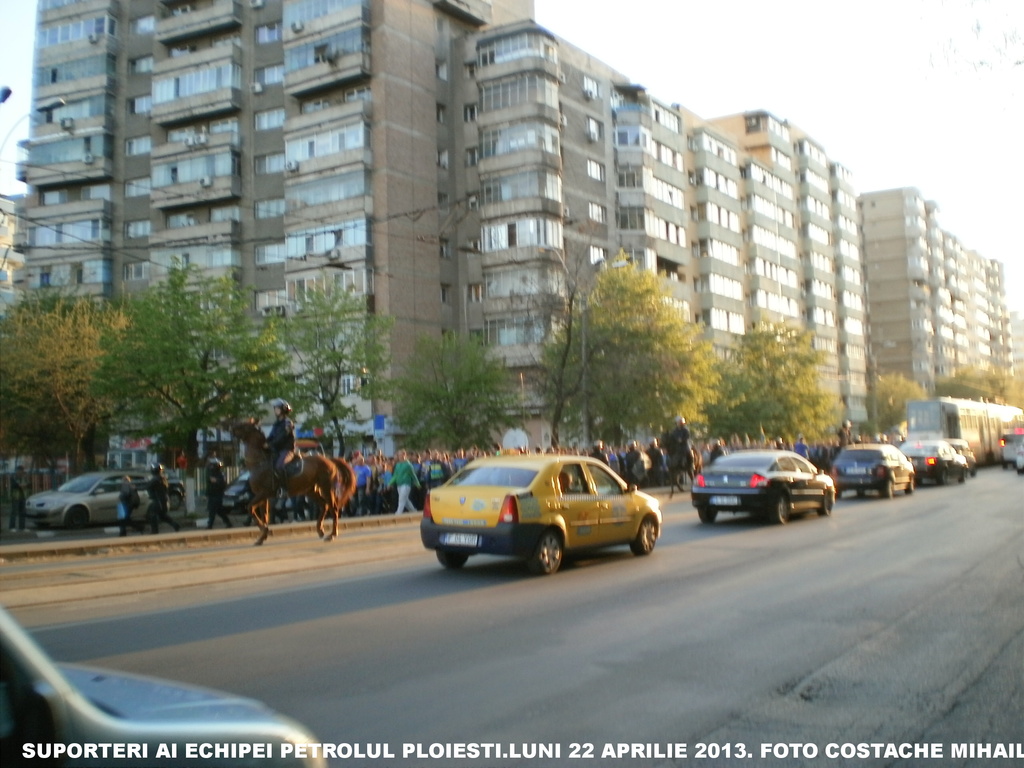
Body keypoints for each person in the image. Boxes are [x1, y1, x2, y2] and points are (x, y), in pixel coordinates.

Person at [267, 398, 297, 488]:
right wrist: (264, 442)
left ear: (283, 410)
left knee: (279, 467)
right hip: (276, 450)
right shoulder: (276, 424)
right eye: (275, 408)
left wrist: (270, 444)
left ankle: (284, 488)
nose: (275, 410)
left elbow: (282, 437)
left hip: (286, 450)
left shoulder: (288, 423)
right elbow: (271, 436)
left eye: (277, 408)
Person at [147, 463, 180, 533]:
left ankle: (154, 531)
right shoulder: (162, 478)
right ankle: (175, 525)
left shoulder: (156, 479)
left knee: (153, 514)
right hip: (163, 499)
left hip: (158, 500)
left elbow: (148, 486)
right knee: (162, 516)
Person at [388, 449, 421, 514]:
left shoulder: (408, 465)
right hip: (399, 484)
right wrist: (390, 483)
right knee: (405, 501)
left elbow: (413, 475)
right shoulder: (397, 465)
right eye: (398, 455)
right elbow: (395, 476)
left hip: (406, 484)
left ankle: (398, 513)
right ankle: (414, 511)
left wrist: (417, 484)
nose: (399, 456)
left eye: (400, 455)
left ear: (404, 455)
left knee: (401, 499)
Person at [205, 458, 231, 529]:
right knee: (219, 511)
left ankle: (210, 525)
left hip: (217, 495)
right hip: (212, 494)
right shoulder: (210, 473)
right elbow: (209, 484)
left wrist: (216, 481)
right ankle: (228, 522)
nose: (211, 467)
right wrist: (207, 494)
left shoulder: (220, 474)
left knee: (212, 510)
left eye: (212, 465)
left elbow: (223, 484)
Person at [9, 466, 27, 532]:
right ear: (17, 471)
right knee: (14, 512)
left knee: (22, 512)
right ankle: (12, 527)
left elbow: (27, 484)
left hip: (23, 496)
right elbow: (14, 485)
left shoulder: (23, 477)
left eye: (22, 471)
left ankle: (22, 527)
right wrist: (20, 485)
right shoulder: (13, 477)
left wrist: (23, 485)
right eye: (20, 471)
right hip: (15, 496)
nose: (21, 472)